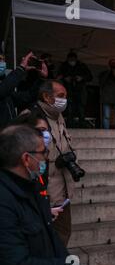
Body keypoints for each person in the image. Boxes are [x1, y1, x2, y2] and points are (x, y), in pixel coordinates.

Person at [0, 125, 81, 265]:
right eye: (43, 152)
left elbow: (50, 234)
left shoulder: (34, 186)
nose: (47, 157)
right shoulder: (4, 201)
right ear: (26, 159)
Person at [26, 80, 77, 247]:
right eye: (61, 96)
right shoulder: (31, 116)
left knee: (63, 235)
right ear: (46, 97)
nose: (65, 100)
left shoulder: (58, 116)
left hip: (63, 193)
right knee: (45, 241)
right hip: (44, 193)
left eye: (66, 96)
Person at [12, 111, 64, 221]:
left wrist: (45, 212)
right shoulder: (13, 176)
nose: (46, 135)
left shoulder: (38, 170)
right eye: (40, 130)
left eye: (46, 130)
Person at [1, 51, 47, 128]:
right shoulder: (4, 89)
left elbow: (28, 96)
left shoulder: (6, 93)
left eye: (3, 59)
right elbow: (2, 91)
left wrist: (41, 79)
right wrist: (21, 68)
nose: (2, 62)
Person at [57, 52, 93, 128]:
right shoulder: (64, 66)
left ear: (76, 59)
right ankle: (70, 124)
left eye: (73, 59)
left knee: (81, 108)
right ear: (67, 59)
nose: (72, 61)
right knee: (70, 108)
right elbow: (58, 76)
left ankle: (82, 124)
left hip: (80, 90)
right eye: (70, 59)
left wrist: (82, 78)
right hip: (68, 90)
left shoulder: (82, 66)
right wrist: (65, 78)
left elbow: (90, 77)